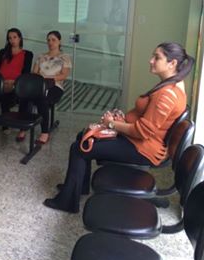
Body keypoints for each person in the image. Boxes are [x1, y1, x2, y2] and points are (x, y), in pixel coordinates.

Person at [44, 42, 194, 213]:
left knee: (79, 148)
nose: (151, 60)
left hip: (143, 148)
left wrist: (112, 124)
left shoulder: (167, 94)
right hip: (140, 141)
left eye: (157, 57)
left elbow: (142, 131)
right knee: (83, 135)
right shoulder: (174, 85)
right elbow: (147, 122)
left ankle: (67, 202)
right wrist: (123, 120)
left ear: (172, 63)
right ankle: (78, 187)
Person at [31, 31, 71, 144]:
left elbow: (64, 75)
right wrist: (41, 79)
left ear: (59, 41)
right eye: (48, 40)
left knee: (42, 100)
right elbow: (34, 72)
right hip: (39, 84)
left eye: (53, 40)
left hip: (55, 85)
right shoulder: (41, 56)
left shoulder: (65, 57)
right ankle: (23, 128)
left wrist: (49, 78)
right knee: (26, 97)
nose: (50, 42)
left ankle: (44, 132)